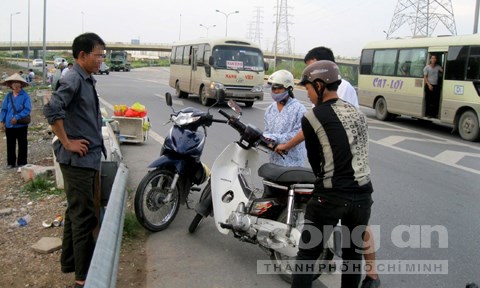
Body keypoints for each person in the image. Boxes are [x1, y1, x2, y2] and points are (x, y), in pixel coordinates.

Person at [278, 47, 380, 288]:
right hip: (363, 196)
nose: (308, 93)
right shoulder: (357, 113)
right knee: (353, 256)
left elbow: (316, 162)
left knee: (306, 258)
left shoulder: (313, 116)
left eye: (309, 87)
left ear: (320, 85)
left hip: (331, 197)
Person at [43, 32, 106, 288]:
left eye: (103, 55)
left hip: (86, 160)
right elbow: (52, 108)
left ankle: (70, 264)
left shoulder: (85, 78)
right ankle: (83, 279)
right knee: (85, 218)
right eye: (98, 55)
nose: (101, 59)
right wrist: (68, 142)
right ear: (82, 55)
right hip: (77, 162)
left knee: (75, 213)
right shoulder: (73, 78)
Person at [263, 70, 307, 167]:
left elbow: (298, 134)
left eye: (277, 89)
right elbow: (267, 132)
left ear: (288, 88)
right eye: (272, 89)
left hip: (293, 162)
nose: (274, 92)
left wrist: (273, 138)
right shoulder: (270, 109)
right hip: (274, 160)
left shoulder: (299, 109)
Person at [0, 73, 32, 170]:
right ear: (11, 85)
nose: (16, 85)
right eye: (14, 84)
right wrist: (2, 120)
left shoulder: (25, 96)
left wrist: (17, 117)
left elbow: (27, 109)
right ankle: (11, 163)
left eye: (18, 83)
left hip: (21, 125)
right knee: (10, 144)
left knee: (22, 143)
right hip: (9, 125)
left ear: (21, 85)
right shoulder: (8, 96)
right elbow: (4, 109)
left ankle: (22, 162)